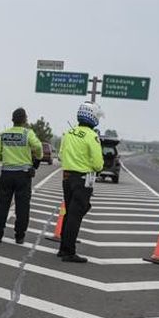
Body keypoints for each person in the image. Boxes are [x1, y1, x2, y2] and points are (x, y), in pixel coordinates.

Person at [56, 102, 106, 263]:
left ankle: (63, 248)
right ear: (93, 117)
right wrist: (91, 166)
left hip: (66, 177)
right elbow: (98, 163)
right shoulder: (92, 136)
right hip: (83, 179)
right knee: (75, 215)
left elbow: (61, 155)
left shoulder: (69, 133)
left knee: (69, 212)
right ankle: (69, 252)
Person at [0, 108, 43, 244]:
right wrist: (37, 159)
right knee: (22, 206)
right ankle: (19, 236)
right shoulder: (28, 133)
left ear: (12, 119)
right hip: (23, 175)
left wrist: (4, 158)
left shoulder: (4, 134)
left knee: (2, 204)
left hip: (6, 173)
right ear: (25, 120)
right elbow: (38, 147)